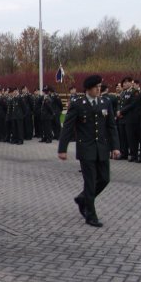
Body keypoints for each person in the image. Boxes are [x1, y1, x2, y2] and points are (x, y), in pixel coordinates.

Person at [58, 75, 120, 227]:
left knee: (104, 179)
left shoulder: (105, 102)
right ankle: (90, 215)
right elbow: (68, 127)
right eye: (95, 87)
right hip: (86, 149)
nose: (99, 90)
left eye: (100, 87)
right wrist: (62, 149)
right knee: (90, 183)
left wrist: (115, 147)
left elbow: (111, 126)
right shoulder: (78, 104)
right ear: (88, 89)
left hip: (102, 148)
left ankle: (82, 198)